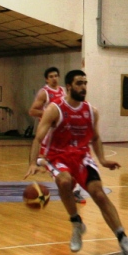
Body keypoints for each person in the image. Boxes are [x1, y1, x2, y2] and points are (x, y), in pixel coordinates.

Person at [25, 70, 128, 255]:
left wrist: (102, 160)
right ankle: (76, 222)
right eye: (79, 83)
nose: (83, 87)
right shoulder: (55, 109)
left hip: (81, 157)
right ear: (69, 86)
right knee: (64, 181)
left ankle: (124, 242)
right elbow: (38, 138)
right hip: (58, 156)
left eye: (85, 83)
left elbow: (95, 138)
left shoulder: (91, 111)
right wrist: (32, 162)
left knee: (99, 194)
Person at [29, 66, 86, 204]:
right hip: (49, 131)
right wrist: (51, 114)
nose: (54, 78)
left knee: (73, 159)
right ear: (46, 79)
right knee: (57, 161)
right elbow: (32, 111)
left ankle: (75, 190)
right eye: (51, 76)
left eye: (56, 76)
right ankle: (71, 188)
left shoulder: (63, 90)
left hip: (64, 130)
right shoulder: (44, 93)